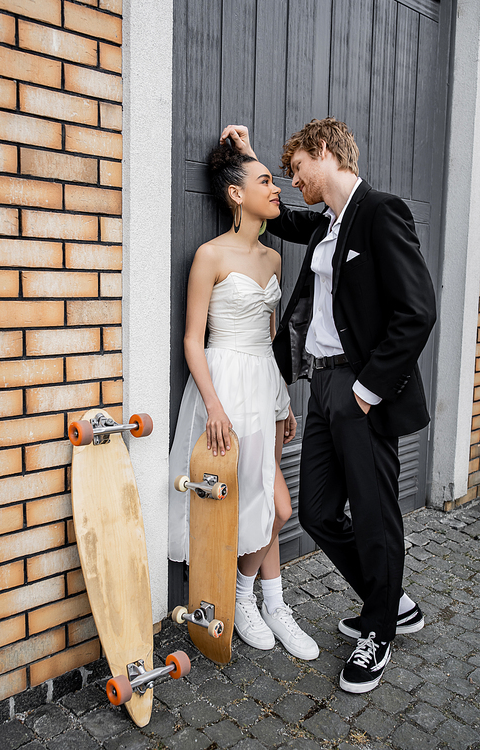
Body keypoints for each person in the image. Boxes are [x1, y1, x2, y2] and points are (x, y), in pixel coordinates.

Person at [221, 118, 436, 693]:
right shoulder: (326, 226)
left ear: (324, 153)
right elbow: (277, 213)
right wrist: (247, 155)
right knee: (316, 511)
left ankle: (379, 629)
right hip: (320, 389)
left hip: (361, 391)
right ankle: (389, 600)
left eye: (295, 170)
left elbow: (417, 311)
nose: (290, 182)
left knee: (374, 514)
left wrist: (368, 389)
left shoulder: (381, 212)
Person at [168, 144, 319, 660]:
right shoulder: (210, 255)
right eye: (264, 181)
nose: (277, 187)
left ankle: (270, 603)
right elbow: (193, 340)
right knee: (266, 504)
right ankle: (243, 597)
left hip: (266, 386)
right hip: (225, 386)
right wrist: (213, 406)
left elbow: (272, 334)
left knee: (267, 502)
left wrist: (284, 402)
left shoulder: (274, 256)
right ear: (237, 194)